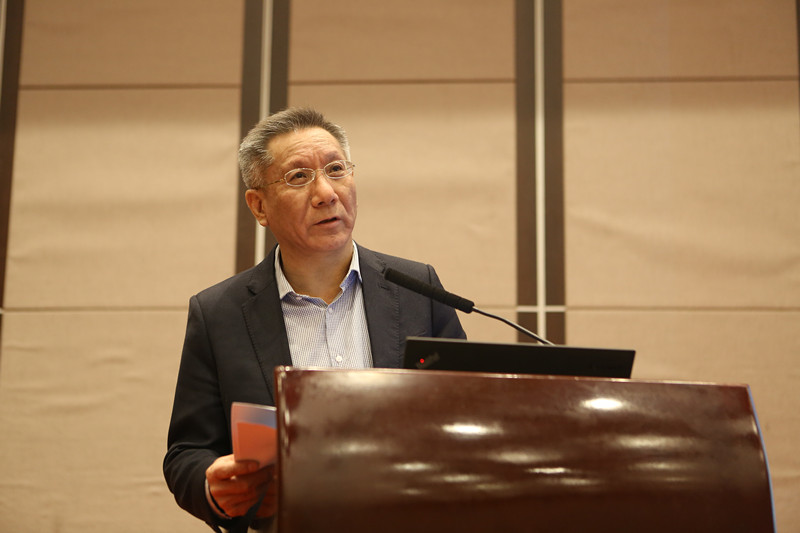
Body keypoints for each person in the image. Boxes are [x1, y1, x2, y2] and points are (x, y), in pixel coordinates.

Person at [163, 107, 466, 531]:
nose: (326, 193)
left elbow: (468, 416)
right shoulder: (219, 314)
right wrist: (213, 486)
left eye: (336, 169)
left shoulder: (419, 291)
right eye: (298, 176)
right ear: (259, 206)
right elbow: (187, 453)